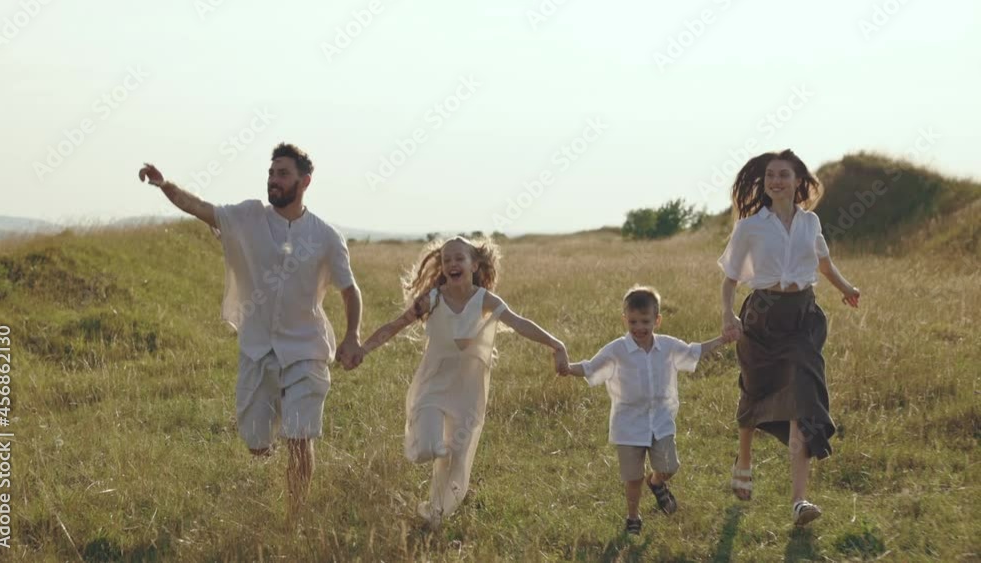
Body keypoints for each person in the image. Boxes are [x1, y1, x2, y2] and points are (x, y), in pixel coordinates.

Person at [137, 142, 364, 523]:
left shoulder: (325, 236)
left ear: (305, 181)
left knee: (298, 437)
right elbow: (199, 208)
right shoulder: (247, 217)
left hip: (306, 349)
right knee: (258, 444)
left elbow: (349, 290)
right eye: (272, 173)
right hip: (259, 348)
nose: (274, 180)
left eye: (283, 174)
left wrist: (352, 335)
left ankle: (296, 517)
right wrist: (165, 185)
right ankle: (266, 440)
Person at [359, 235, 569, 529]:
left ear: (474, 264)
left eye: (459, 258)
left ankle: (435, 514)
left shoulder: (485, 300)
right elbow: (395, 325)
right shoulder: (432, 300)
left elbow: (520, 323)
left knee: (457, 460)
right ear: (443, 267)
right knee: (429, 448)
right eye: (447, 260)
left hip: (469, 392)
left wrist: (555, 344)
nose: (452, 264)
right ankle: (430, 452)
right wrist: (363, 349)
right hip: (433, 385)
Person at [718, 149, 861, 527]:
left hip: (802, 317)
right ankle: (744, 459)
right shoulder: (749, 226)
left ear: (799, 181)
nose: (776, 181)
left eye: (784, 175)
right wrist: (728, 314)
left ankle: (799, 501)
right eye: (770, 176)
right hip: (762, 316)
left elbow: (823, 262)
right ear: (764, 184)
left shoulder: (810, 222)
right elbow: (731, 278)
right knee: (756, 389)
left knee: (803, 400)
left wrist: (846, 287)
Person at [564, 286, 729, 534]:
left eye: (645, 321)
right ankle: (633, 518)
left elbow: (693, 352)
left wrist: (722, 339)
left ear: (657, 320)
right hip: (628, 425)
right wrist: (566, 367)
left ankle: (657, 482)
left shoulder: (668, 347)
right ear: (624, 320)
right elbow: (590, 367)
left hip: (660, 421)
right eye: (632, 322)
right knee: (633, 478)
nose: (639, 327)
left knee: (669, 467)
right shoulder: (616, 350)